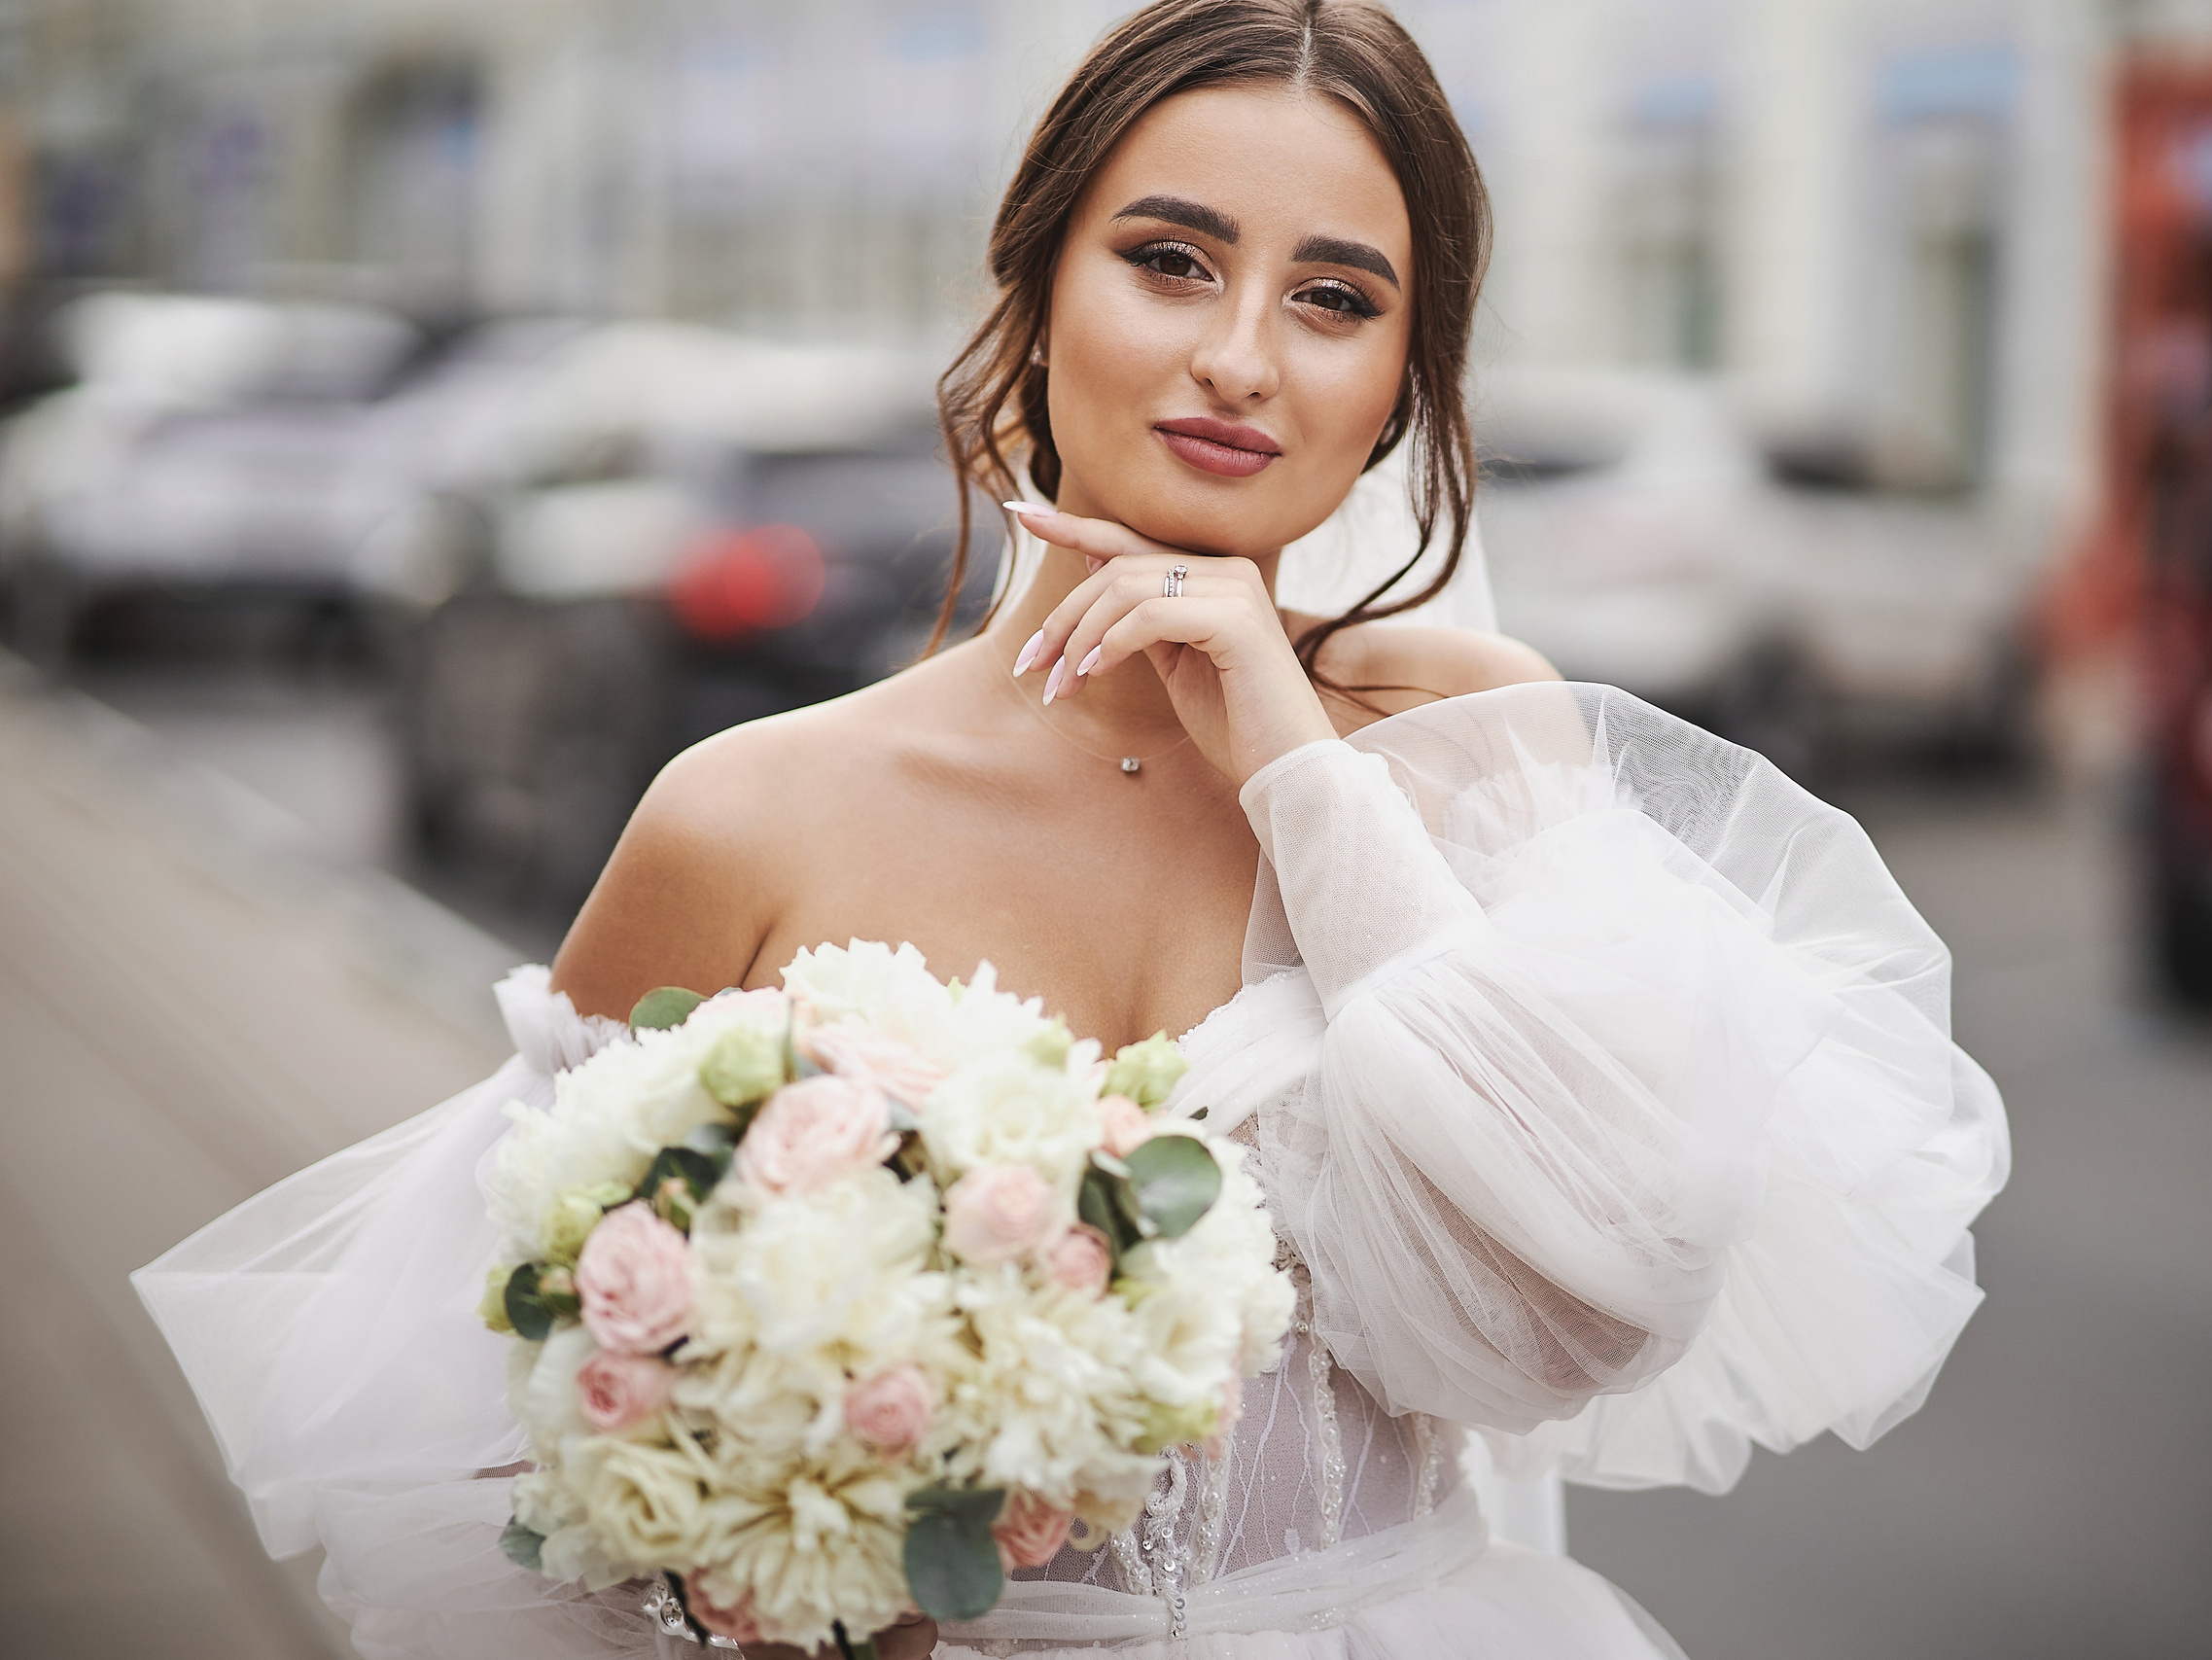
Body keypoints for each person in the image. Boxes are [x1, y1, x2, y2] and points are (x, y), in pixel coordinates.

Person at [135, 3, 2009, 1656]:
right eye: (1172, 261)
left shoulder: (1469, 736)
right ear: (1031, 294)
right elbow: (522, 1454)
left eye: (1337, 299)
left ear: (1398, 399)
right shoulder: (747, 814)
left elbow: (1586, 1305)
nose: (1243, 357)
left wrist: (1293, 752)